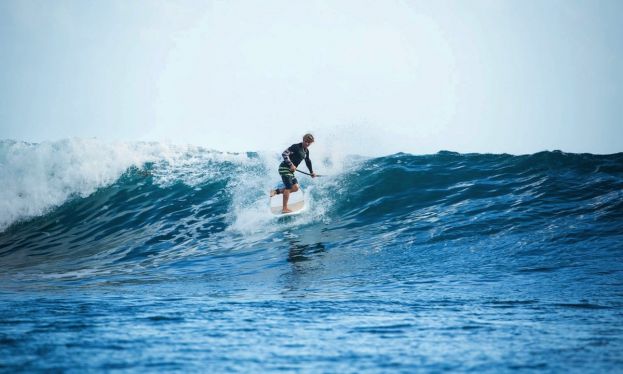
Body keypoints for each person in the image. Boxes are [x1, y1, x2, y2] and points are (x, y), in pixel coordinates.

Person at [270, 133, 317, 213]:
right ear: (303, 140)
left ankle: (275, 191)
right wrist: (291, 164)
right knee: (288, 187)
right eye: (306, 141)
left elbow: (308, 161)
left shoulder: (306, 151)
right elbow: (284, 153)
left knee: (295, 187)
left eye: (309, 142)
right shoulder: (296, 147)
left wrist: (311, 172)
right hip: (284, 168)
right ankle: (284, 208)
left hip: (290, 171)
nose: (307, 143)